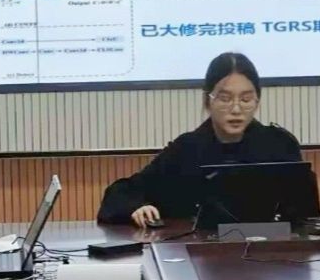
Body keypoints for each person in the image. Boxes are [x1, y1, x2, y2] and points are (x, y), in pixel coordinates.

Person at [98, 53, 307, 227]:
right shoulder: (186, 149)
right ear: (208, 101)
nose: (236, 109)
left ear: (257, 102)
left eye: (246, 99)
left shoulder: (280, 145)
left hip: (270, 254)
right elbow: (122, 192)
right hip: (200, 254)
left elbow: (303, 214)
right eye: (225, 98)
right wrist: (137, 207)